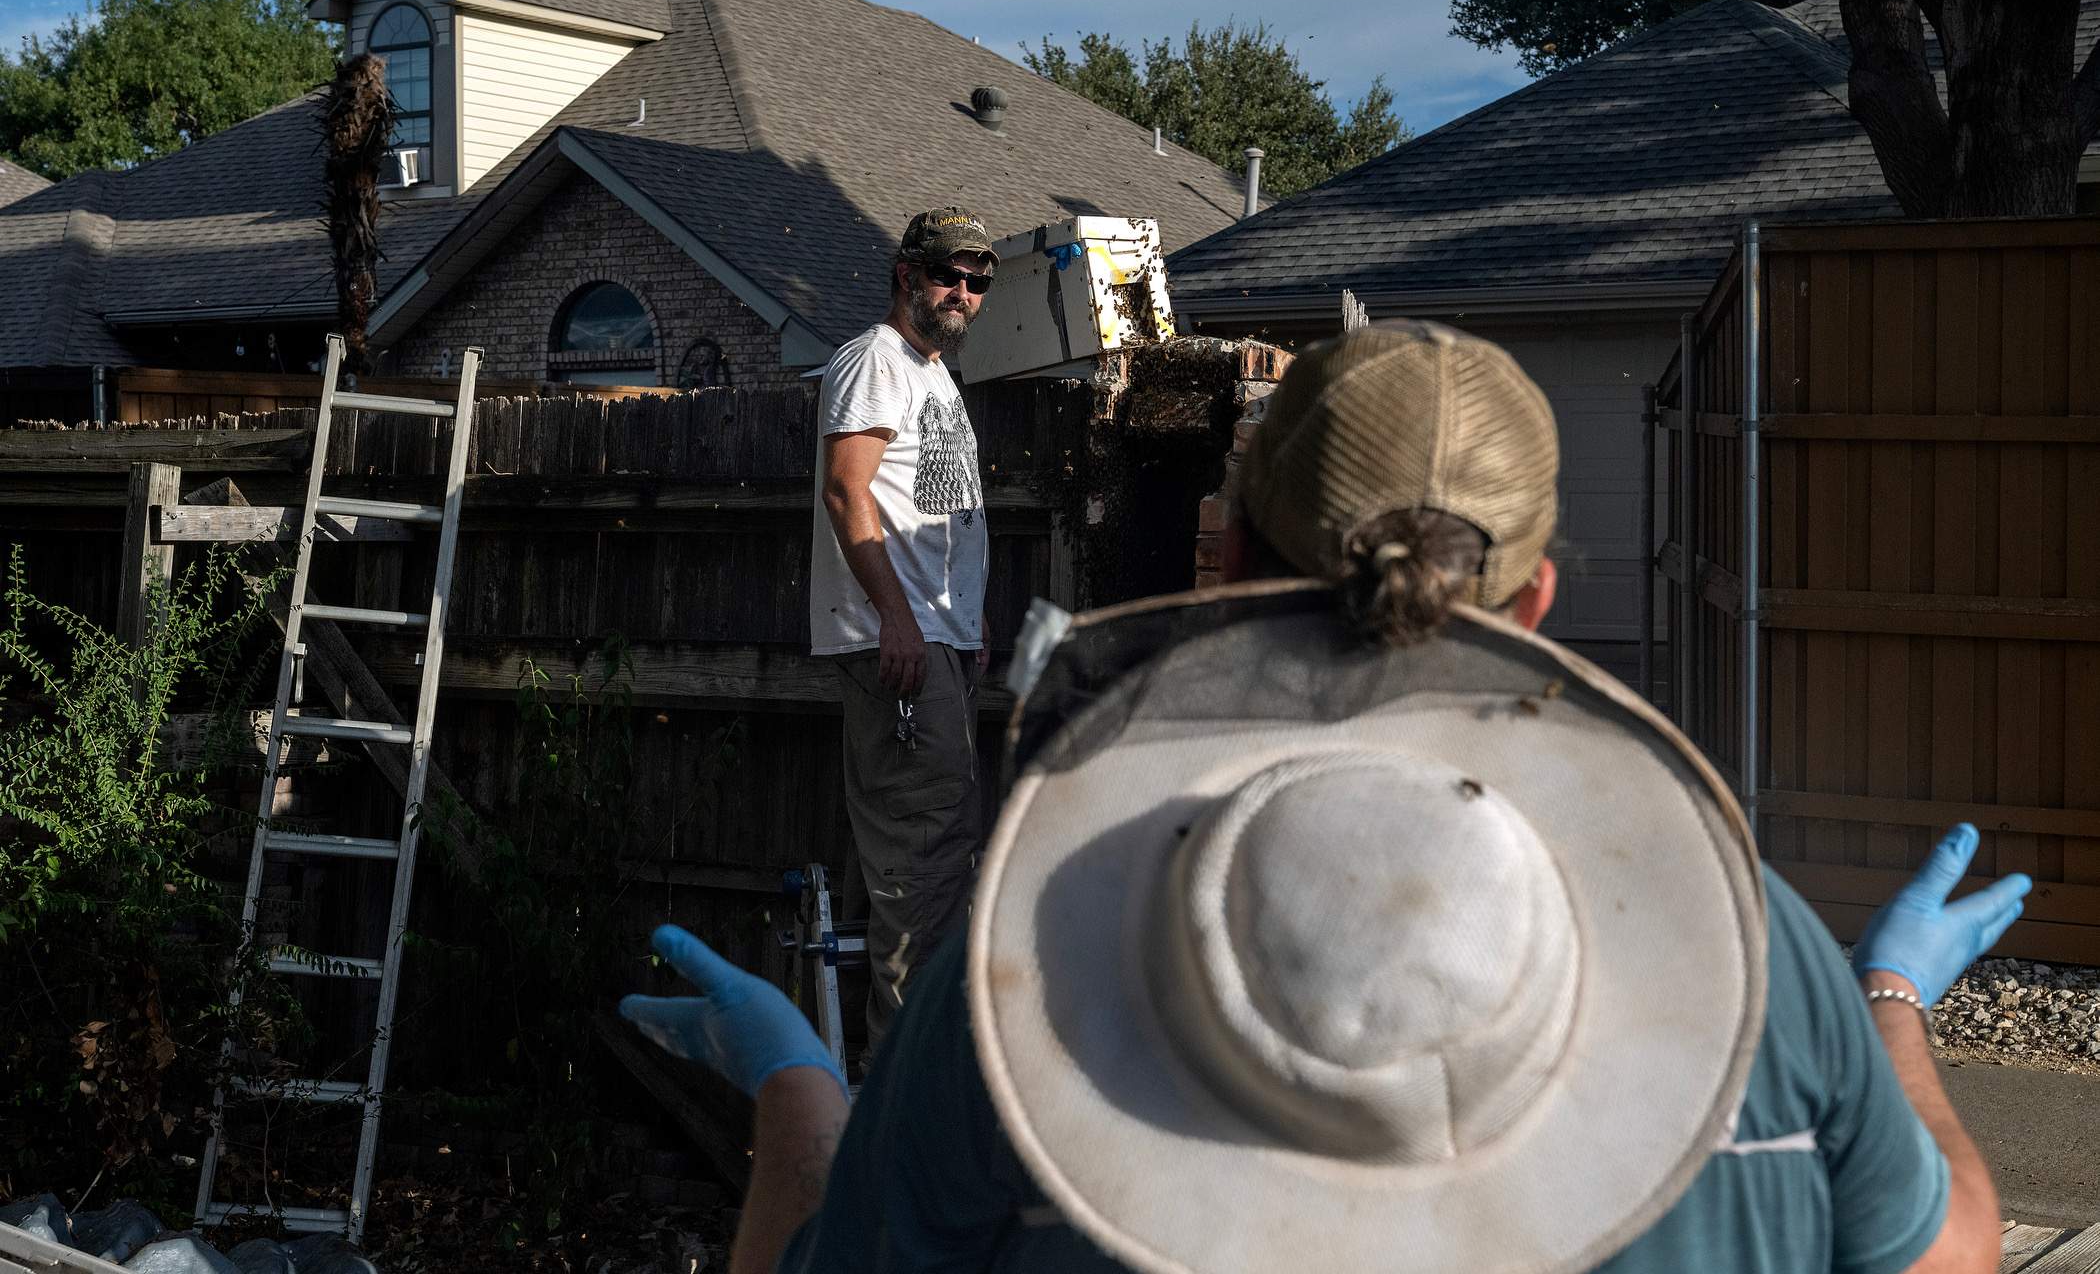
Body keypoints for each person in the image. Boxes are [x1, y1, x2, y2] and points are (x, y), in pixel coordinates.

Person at [625, 320, 2030, 1274]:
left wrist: (798, 1090)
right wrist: (1884, 1000)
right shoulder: (1762, 959)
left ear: (1224, 560)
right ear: (1536, 605)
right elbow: (1950, 1248)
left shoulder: (1033, 970)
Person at [807, 207, 999, 1058]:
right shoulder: (874, 361)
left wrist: (966, 622)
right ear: (907, 275)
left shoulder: (932, 374)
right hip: (901, 650)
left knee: (946, 860)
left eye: (977, 281)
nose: (962, 292)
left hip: (936, 644)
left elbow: (935, 507)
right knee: (920, 878)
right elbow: (848, 492)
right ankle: (902, 1097)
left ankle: (918, 1082)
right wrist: (898, 617)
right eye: (948, 275)